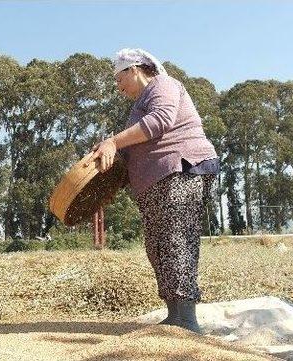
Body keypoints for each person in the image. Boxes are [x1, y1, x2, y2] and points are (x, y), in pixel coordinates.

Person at [86, 48, 220, 333]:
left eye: (118, 78)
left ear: (134, 69)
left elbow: (161, 120)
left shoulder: (164, 85)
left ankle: (186, 318)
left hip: (181, 168)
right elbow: (131, 149)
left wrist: (112, 141)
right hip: (155, 181)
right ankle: (175, 315)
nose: (117, 86)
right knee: (157, 246)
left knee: (176, 240)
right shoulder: (137, 106)